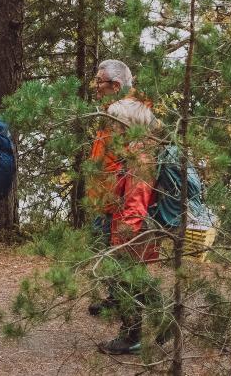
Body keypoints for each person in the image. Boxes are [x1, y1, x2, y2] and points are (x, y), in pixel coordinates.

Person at [85, 60, 157, 318]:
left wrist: (113, 195)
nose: (96, 87)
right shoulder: (124, 109)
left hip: (116, 199)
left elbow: (130, 166)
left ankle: (147, 302)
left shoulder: (123, 113)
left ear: (115, 85)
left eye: (99, 82)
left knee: (119, 255)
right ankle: (117, 297)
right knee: (110, 252)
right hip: (107, 194)